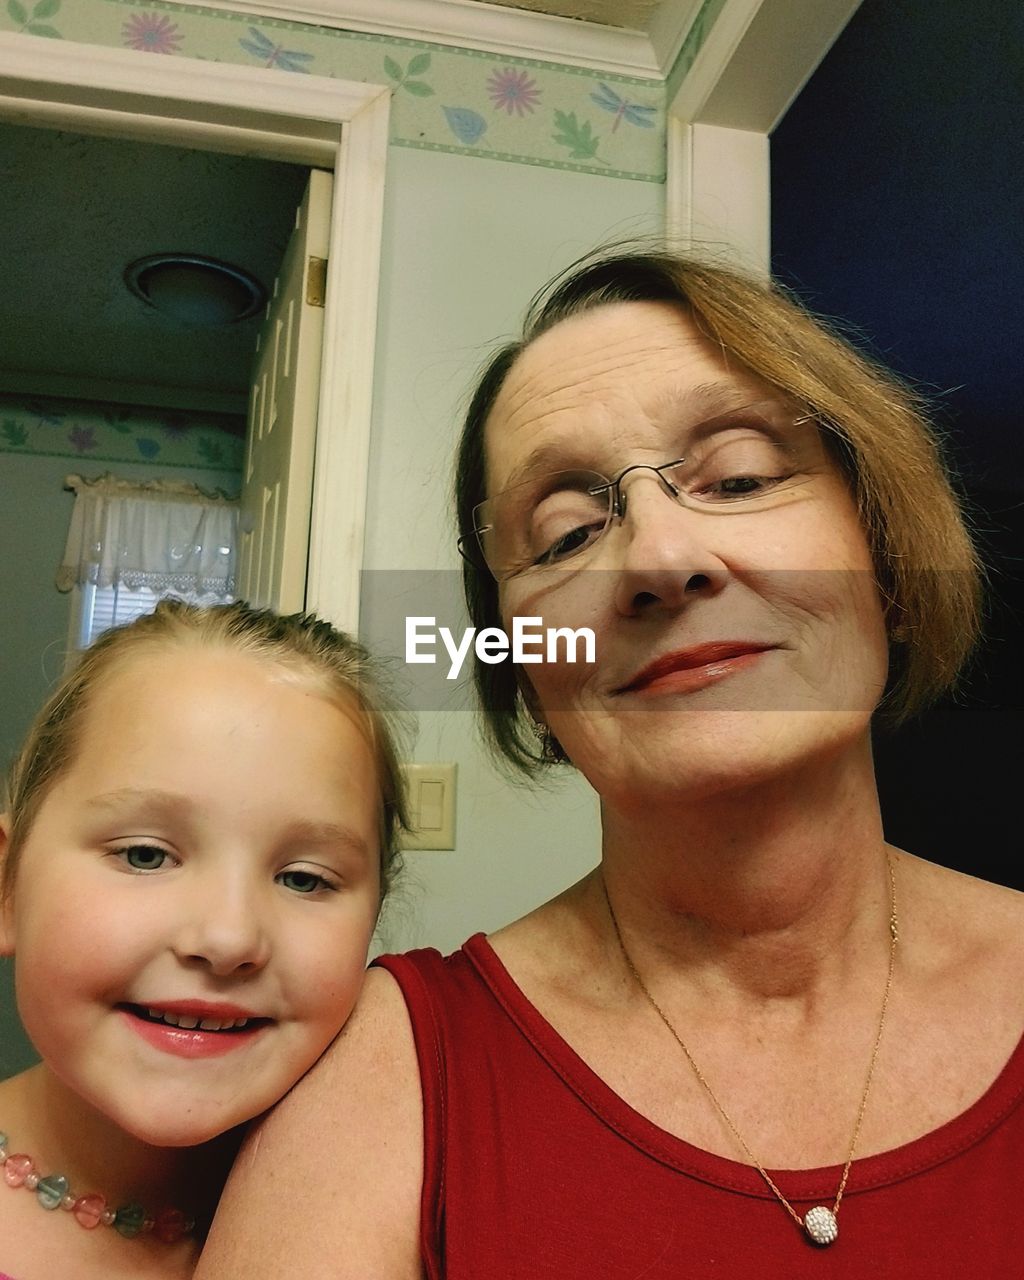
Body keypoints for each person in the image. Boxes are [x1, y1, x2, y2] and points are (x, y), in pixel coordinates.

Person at [196, 249, 1024, 1278]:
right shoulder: (396, 1067)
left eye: (739, 477)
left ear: (888, 569)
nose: (662, 557)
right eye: (568, 532)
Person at [0, 599, 407, 1280]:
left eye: (305, 879)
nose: (226, 938)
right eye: (144, 856)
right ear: (8, 891)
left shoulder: (398, 1221)